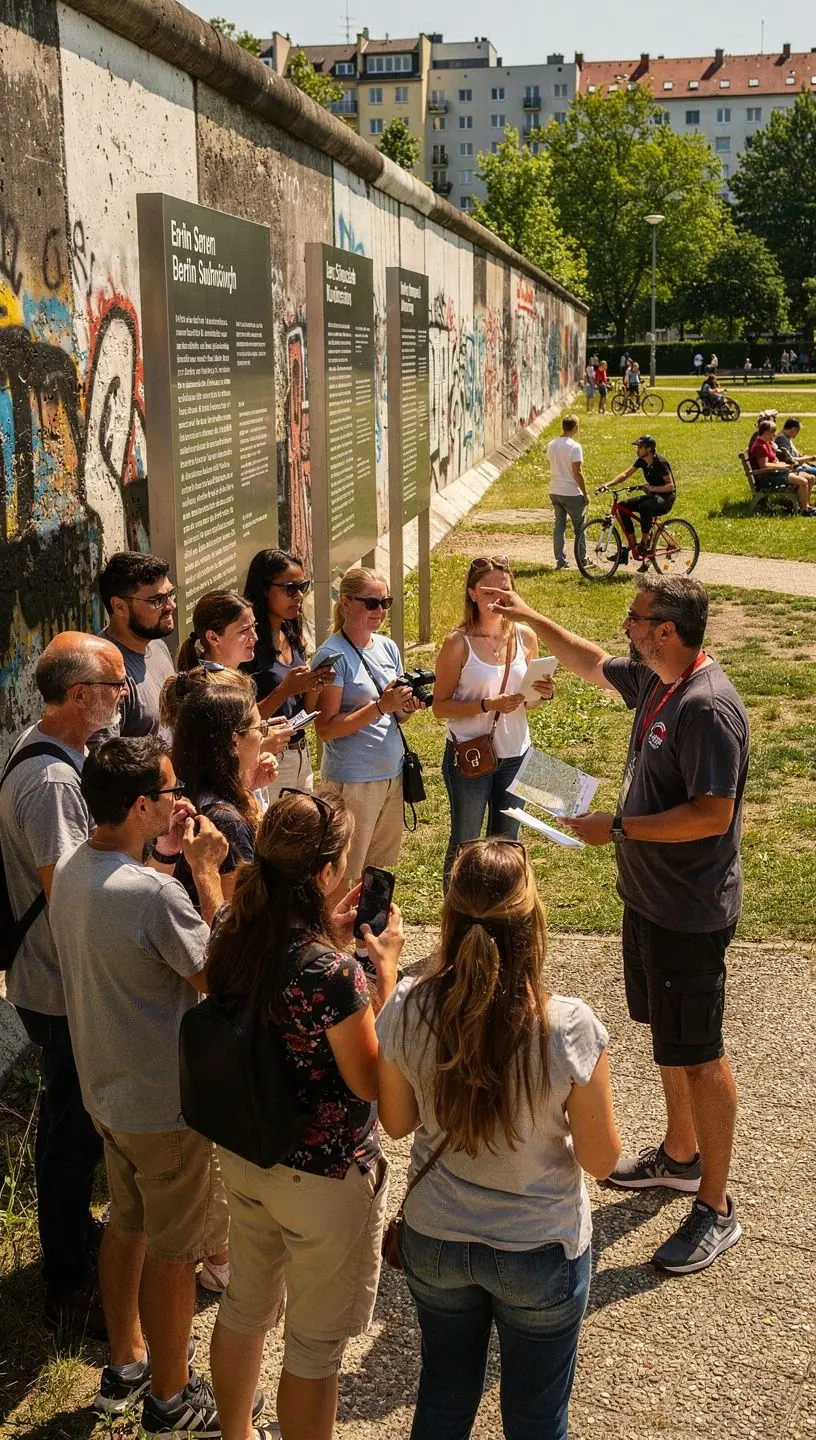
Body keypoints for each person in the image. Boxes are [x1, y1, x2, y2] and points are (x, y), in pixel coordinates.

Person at [484, 575, 749, 1275]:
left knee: (700, 1050)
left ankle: (716, 1209)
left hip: (688, 912)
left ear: (667, 630)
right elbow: (587, 660)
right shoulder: (657, 678)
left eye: (636, 617)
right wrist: (525, 613)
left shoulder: (705, 708)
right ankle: (681, 1157)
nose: (626, 626)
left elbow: (712, 814)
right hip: (650, 899)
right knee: (669, 1035)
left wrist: (619, 827)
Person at [375, 837, 621, 1439]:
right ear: (532, 921)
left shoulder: (407, 1005)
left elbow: (398, 1123)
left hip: (437, 1237)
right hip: (538, 1248)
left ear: (450, 917)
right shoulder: (567, 1027)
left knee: (442, 1399)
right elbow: (602, 1159)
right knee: (536, 1419)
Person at [48, 737, 242, 1435]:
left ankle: (127, 1362)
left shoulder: (74, 866)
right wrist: (208, 876)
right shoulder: (153, 893)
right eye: (168, 792)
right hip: (166, 1107)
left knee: (125, 1224)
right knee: (176, 1250)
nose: (179, 800)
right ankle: (170, 1396)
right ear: (139, 807)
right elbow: (222, 982)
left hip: (109, 1096)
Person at [207, 789, 398, 1440]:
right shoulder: (335, 976)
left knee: (244, 1308)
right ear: (324, 874)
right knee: (314, 1350)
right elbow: (370, 1081)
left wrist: (333, 941)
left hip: (246, 1151)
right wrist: (386, 984)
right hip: (321, 1177)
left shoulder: (232, 927)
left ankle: (235, 1433)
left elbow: (270, 975)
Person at [0, 632, 126, 1337]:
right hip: (60, 983)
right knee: (71, 1135)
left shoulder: (57, 747)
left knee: (72, 1125)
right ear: (80, 696)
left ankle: (71, 1246)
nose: (120, 696)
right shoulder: (51, 782)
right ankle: (69, 1283)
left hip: (58, 976)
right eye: (113, 687)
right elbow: (68, 892)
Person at [432, 557, 554, 887]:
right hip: (470, 755)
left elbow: (529, 700)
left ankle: (501, 919)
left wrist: (542, 693)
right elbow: (439, 707)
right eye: (488, 591)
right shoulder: (457, 643)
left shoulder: (525, 637)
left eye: (504, 590)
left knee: (508, 847)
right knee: (466, 845)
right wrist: (488, 704)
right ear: (472, 594)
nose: (497, 598)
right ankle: (458, 924)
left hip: (516, 754)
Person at [312, 568, 423, 904]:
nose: (380, 611)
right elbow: (326, 728)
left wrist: (408, 705)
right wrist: (380, 706)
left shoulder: (388, 648)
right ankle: (334, 949)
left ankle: (368, 945)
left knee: (379, 872)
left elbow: (395, 714)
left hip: (391, 774)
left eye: (385, 602)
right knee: (342, 873)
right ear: (345, 603)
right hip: (353, 780)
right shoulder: (332, 656)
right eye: (372, 602)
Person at [172, 682, 280, 913]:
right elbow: (235, 916)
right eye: (259, 728)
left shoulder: (190, 791)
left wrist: (246, 788)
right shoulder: (226, 821)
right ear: (234, 741)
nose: (263, 736)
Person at [243, 548, 336, 798]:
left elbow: (303, 711)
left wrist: (314, 688)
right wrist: (284, 690)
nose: (298, 596)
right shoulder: (248, 646)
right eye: (289, 589)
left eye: (302, 587)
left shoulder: (291, 633)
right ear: (264, 589)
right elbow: (243, 722)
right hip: (268, 759)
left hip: (301, 752)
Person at [98, 552, 176, 736]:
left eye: (171, 594)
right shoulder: (106, 672)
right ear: (120, 607)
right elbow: (104, 760)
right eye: (157, 600)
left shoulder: (157, 644)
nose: (171, 605)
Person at [610, 435, 676, 567]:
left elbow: (671, 486)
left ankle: (644, 544)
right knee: (623, 507)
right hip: (653, 496)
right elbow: (626, 474)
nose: (637, 450)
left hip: (667, 498)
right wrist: (608, 484)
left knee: (645, 507)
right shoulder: (641, 460)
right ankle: (633, 546)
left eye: (640, 447)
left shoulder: (660, 463)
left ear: (649, 449)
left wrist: (651, 488)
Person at [176, 590, 258, 674]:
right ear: (213, 638)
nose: (255, 637)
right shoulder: (208, 686)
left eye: (254, 626)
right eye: (244, 630)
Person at [546, 414, 588, 571]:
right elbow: (577, 472)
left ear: (563, 426)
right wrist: (585, 493)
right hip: (571, 492)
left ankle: (560, 561)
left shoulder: (552, 444)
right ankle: (583, 560)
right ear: (575, 427)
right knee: (580, 527)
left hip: (555, 490)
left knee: (559, 527)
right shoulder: (575, 447)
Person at [748, 420, 815, 515]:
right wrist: (783, 466)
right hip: (769, 478)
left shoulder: (766, 443)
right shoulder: (760, 446)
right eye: (773, 433)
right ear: (767, 433)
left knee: (811, 478)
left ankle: (807, 506)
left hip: (777, 473)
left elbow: (773, 461)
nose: (775, 435)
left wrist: (783, 464)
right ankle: (804, 510)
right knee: (803, 482)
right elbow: (765, 465)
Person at [774, 418, 816, 489]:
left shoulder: (786, 437)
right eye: (798, 431)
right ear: (794, 429)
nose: (797, 434)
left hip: (799, 466)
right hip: (794, 469)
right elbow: (791, 460)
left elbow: (798, 455)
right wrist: (811, 458)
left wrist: (808, 459)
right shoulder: (781, 439)